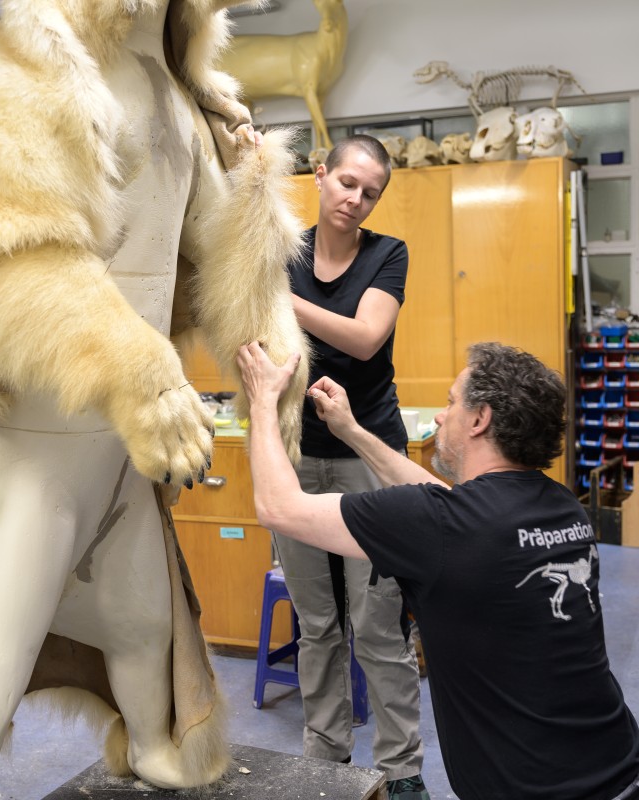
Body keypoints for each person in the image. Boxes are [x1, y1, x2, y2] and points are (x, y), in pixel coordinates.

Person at [236, 339, 639, 800]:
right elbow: (446, 504)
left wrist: (263, 402)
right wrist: (352, 431)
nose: (442, 417)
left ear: (480, 418)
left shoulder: (442, 525)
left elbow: (279, 508)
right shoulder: (563, 509)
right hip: (619, 766)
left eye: (450, 403)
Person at [279, 133, 428, 799]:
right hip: (299, 456)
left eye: (370, 193)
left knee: (378, 628)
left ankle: (402, 772)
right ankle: (325, 759)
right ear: (320, 175)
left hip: (370, 456)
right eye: (346, 183)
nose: (355, 200)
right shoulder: (283, 252)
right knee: (317, 625)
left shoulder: (387, 254)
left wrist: (279, 300)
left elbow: (366, 340)